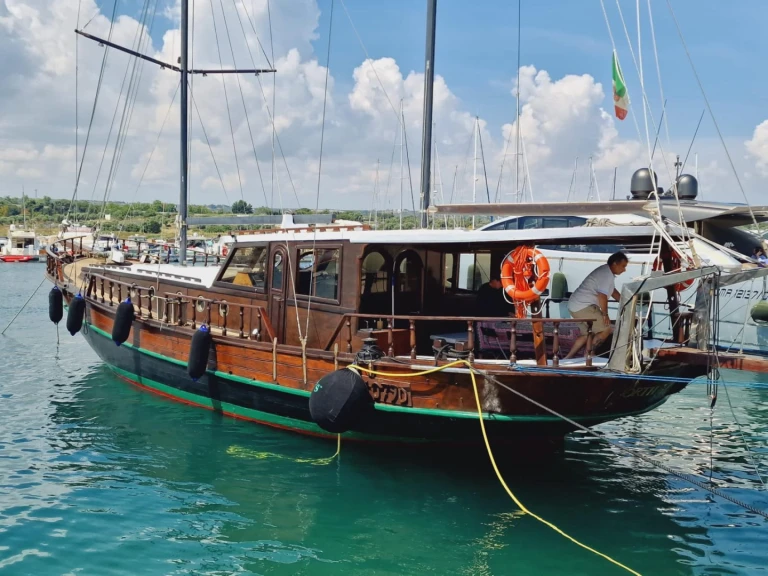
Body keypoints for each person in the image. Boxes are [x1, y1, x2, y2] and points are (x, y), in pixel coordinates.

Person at [564, 251, 629, 359]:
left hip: (574, 306)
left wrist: (626, 301)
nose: (624, 269)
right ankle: (589, 355)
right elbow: (602, 296)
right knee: (606, 329)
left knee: (587, 334)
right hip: (583, 306)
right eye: (623, 266)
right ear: (614, 264)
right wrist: (605, 314)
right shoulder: (606, 274)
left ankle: (567, 358)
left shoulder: (606, 272)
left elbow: (612, 291)